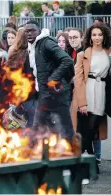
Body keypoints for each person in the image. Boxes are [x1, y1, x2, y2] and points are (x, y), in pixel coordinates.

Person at [25, 20, 74, 141]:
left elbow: (67, 60)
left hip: (57, 93)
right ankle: (41, 154)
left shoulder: (46, 43)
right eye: (27, 31)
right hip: (45, 94)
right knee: (42, 128)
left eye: (32, 31)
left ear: (39, 31)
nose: (29, 33)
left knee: (65, 128)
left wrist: (53, 79)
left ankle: (74, 156)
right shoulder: (33, 46)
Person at [71, 23, 111, 171]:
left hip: (101, 92)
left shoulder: (109, 52)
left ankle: (90, 164)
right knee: (84, 130)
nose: (97, 38)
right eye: (94, 35)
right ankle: (85, 166)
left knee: (92, 129)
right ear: (90, 37)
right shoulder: (83, 54)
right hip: (86, 92)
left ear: (104, 36)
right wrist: (82, 103)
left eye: (100, 34)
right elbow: (78, 80)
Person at [7, 27, 37, 128]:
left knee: (16, 125)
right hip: (28, 96)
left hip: (18, 95)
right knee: (31, 123)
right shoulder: (29, 54)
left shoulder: (14, 53)